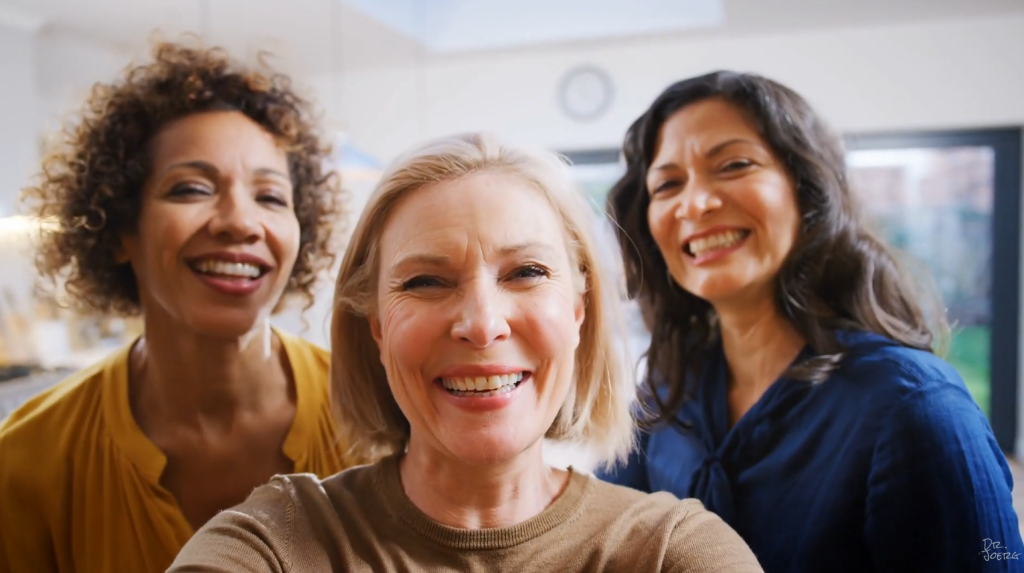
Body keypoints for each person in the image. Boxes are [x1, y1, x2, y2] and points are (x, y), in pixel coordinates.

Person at [169, 132, 764, 572]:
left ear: (579, 311)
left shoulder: (671, 552)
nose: (482, 326)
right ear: (376, 326)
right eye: (425, 282)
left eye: (527, 272)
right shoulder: (278, 542)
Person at [596, 70, 1024, 572]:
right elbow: (603, 534)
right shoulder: (670, 393)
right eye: (668, 184)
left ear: (807, 189)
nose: (696, 203)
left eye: (733, 165)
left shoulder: (917, 409)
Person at [0, 41, 363, 573]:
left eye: (270, 197)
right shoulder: (26, 461)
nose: (240, 222)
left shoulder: (378, 421)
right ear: (121, 228)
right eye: (192, 188)